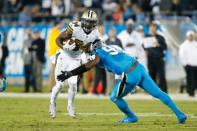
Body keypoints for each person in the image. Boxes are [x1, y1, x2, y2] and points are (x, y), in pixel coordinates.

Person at [57, 44, 187, 124]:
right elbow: (120, 59)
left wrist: (69, 73)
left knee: (114, 97)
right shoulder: (112, 46)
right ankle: (180, 114)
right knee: (158, 93)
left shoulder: (96, 54)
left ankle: (131, 117)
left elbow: (87, 66)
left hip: (129, 73)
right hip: (138, 67)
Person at [49, 10, 101, 118]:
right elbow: (57, 39)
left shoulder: (96, 33)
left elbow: (92, 47)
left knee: (73, 84)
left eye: (91, 22)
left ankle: (70, 106)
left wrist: (90, 53)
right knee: (59, 85)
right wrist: (64, 47)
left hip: (76, 58)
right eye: (86, 21)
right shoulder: (74, 26)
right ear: (82, 20)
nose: (88, 24)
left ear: (94, 23)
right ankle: (52, 103)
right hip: (64, 56)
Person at [144, 21, 168, 93]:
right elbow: (144, 47)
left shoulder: (160, 37)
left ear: (156, 28)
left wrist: (158, 44)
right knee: (151, 75)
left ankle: (163, 91)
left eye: (154, 27)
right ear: (149, 28)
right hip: (150, 58)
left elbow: (165, 47)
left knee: (161, 75)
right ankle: (153, 91)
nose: (152, 28)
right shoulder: (147, 36)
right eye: (151, 27)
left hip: (159, 58)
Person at [179, 31, 197, 97]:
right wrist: (185, 64)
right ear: (187, 36)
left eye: (192, 35)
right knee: (190, 79)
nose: (191, 37)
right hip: (189, 65)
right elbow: (181, 55)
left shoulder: (195, 44)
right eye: (190, 35)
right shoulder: (184, 45)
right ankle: (190, 92)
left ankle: (188, 88)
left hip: (196, 64)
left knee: (195, 80)